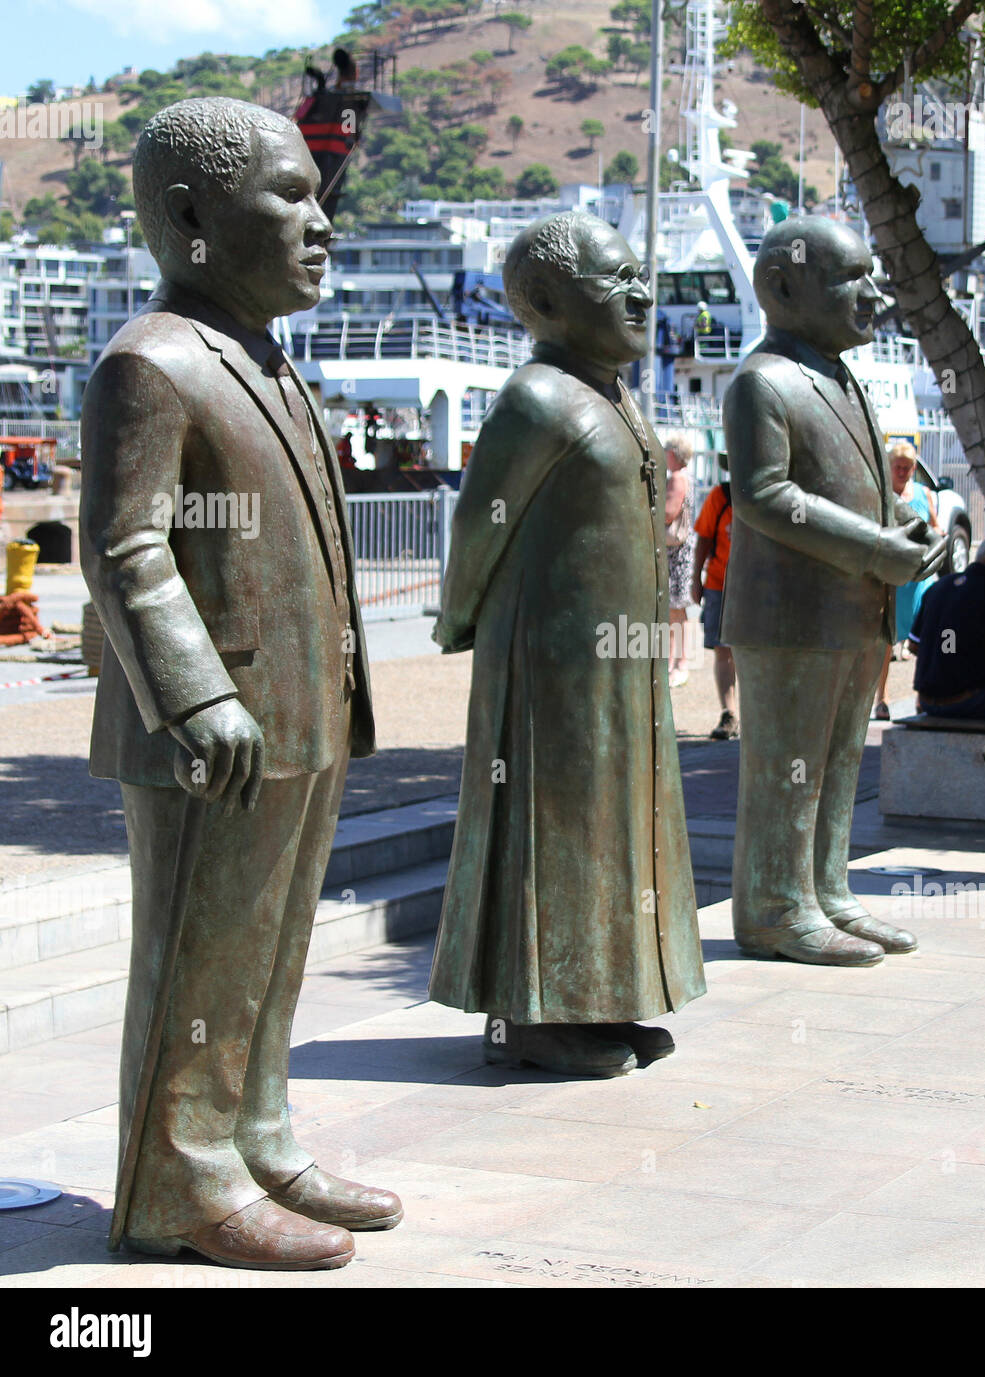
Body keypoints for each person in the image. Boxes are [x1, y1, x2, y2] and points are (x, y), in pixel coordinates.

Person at [79, 97, 399, 1270]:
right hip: (210, 728)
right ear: (190, 219)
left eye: (319, 195)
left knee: (270, 949)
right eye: (291, 195)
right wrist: (199, 695)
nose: (321, 221)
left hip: (302, 713)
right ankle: (179, 1180)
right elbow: (123, 545)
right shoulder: (152, 364)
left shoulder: (262, 361)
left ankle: (256, 1134)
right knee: (200, 956)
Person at [430, 210, 705, 1077]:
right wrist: (459, 616)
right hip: (551, 665)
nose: (641, 292)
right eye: (615, 279)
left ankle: (604, 994)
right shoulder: (537, 397)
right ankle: (532, 1015)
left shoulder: (614, 395)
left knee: (620, 819)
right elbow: (480, 520)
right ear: (547, 300)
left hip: (616, 661)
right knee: (554, 821)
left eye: (640, 275)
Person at [722, 216, 947, 967]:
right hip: (791, 614)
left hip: (855, 609)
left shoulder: (839, 374)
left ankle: (827, 888)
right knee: (789, 766)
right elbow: (761, 494)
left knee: (841, 758)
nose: (874, 293)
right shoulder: (763, 379)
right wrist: (877, 546)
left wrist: (904, 536)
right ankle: (775, 906)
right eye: (854, 278)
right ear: (785, 287)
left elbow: (852, 487)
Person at [911, 531, 985, 719]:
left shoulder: (937, 588)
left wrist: (948, 656)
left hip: (928, 702)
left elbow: (914, 645)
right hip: (969, 702)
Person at [873, 439, 942, 720]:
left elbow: (936, 526)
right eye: (898, 467)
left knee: (923, 638)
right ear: (889, 467)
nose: (902, 472)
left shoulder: (923, 494)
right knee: (886, 640)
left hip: (920, 580)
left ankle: (922, 697)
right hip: (891, 580)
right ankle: (882, 698)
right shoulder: (882, 495)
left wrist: (940, 535)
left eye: (907, 467)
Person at [691, 466, 739, 739]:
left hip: (758, 588)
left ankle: (755, 716)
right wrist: (696, 579)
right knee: (723, 649)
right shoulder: (720, 496)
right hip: (720, 583)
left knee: (749, 652)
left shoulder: (765, 496)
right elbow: (704, 537)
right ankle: (729, 713)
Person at [663, 432, 695, 687]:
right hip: (681, 551)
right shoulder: (686, 477)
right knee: (676, 611)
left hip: (675, 552)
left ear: (672, 453)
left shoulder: (676, 479)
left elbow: (667, 513)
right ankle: (676, 662)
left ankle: (679, 663)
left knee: (675, 610)